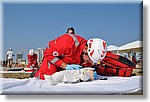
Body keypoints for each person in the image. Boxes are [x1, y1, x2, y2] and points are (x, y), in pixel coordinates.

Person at [34, 27, 107, 80]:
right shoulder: (68, 42)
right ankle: (37, 74)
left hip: (66, 59)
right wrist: (66, 66)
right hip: (51, 57)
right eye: (90, 59)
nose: (90, 62)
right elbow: (48, 54)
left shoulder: (85, 53)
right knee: (50, 77)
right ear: (85, 49)